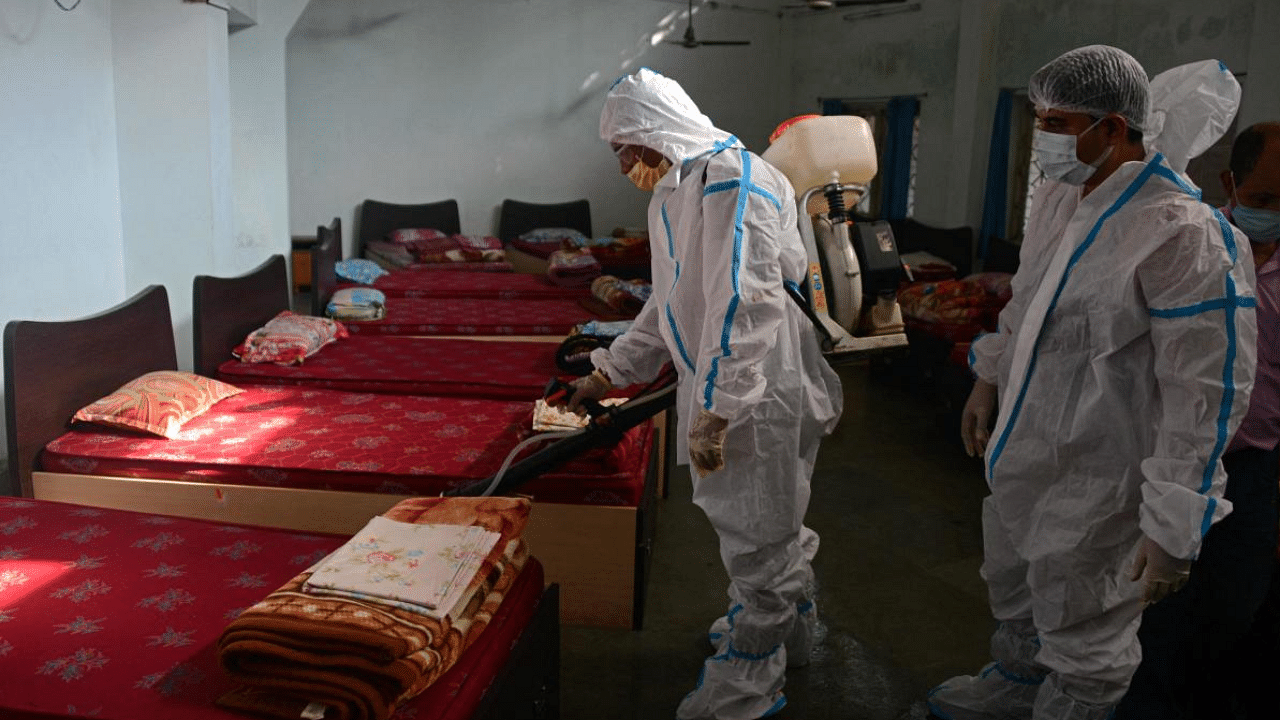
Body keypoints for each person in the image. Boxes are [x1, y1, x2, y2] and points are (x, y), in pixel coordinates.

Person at [930, 45, 1257, 720]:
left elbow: (1206, 392)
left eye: (1058, 122)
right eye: (1039, 118)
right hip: (1026, 452)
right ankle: (1018, 685)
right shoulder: (1059, 198)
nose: (1044, 137)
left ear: (1113, 127)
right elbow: (1026, 300)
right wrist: (988, 377)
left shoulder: (1182, 232)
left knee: (1086, 634)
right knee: (1016, 585)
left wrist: (1176, 518)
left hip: (1101, 476)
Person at [569, 67, 843, 720]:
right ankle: (785, 631)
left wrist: (716, 411)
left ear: (652, 133)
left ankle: (749, 685)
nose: (623, 165)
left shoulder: (735, 182)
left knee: (757, 530)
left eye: (624, 150)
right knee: (763, 523)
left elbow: (741, 312)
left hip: (758, 393)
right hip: (726, 385)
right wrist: (609, 369)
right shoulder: (673, 190)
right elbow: (668, 304)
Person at [1115, 122, 1280, 720]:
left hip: (1254, 471)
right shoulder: (1188, 245)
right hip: (1165, 465)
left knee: (1230, 617)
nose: (1274, 214)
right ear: (1230, 183)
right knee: (1143, 617)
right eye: (1263, 201)